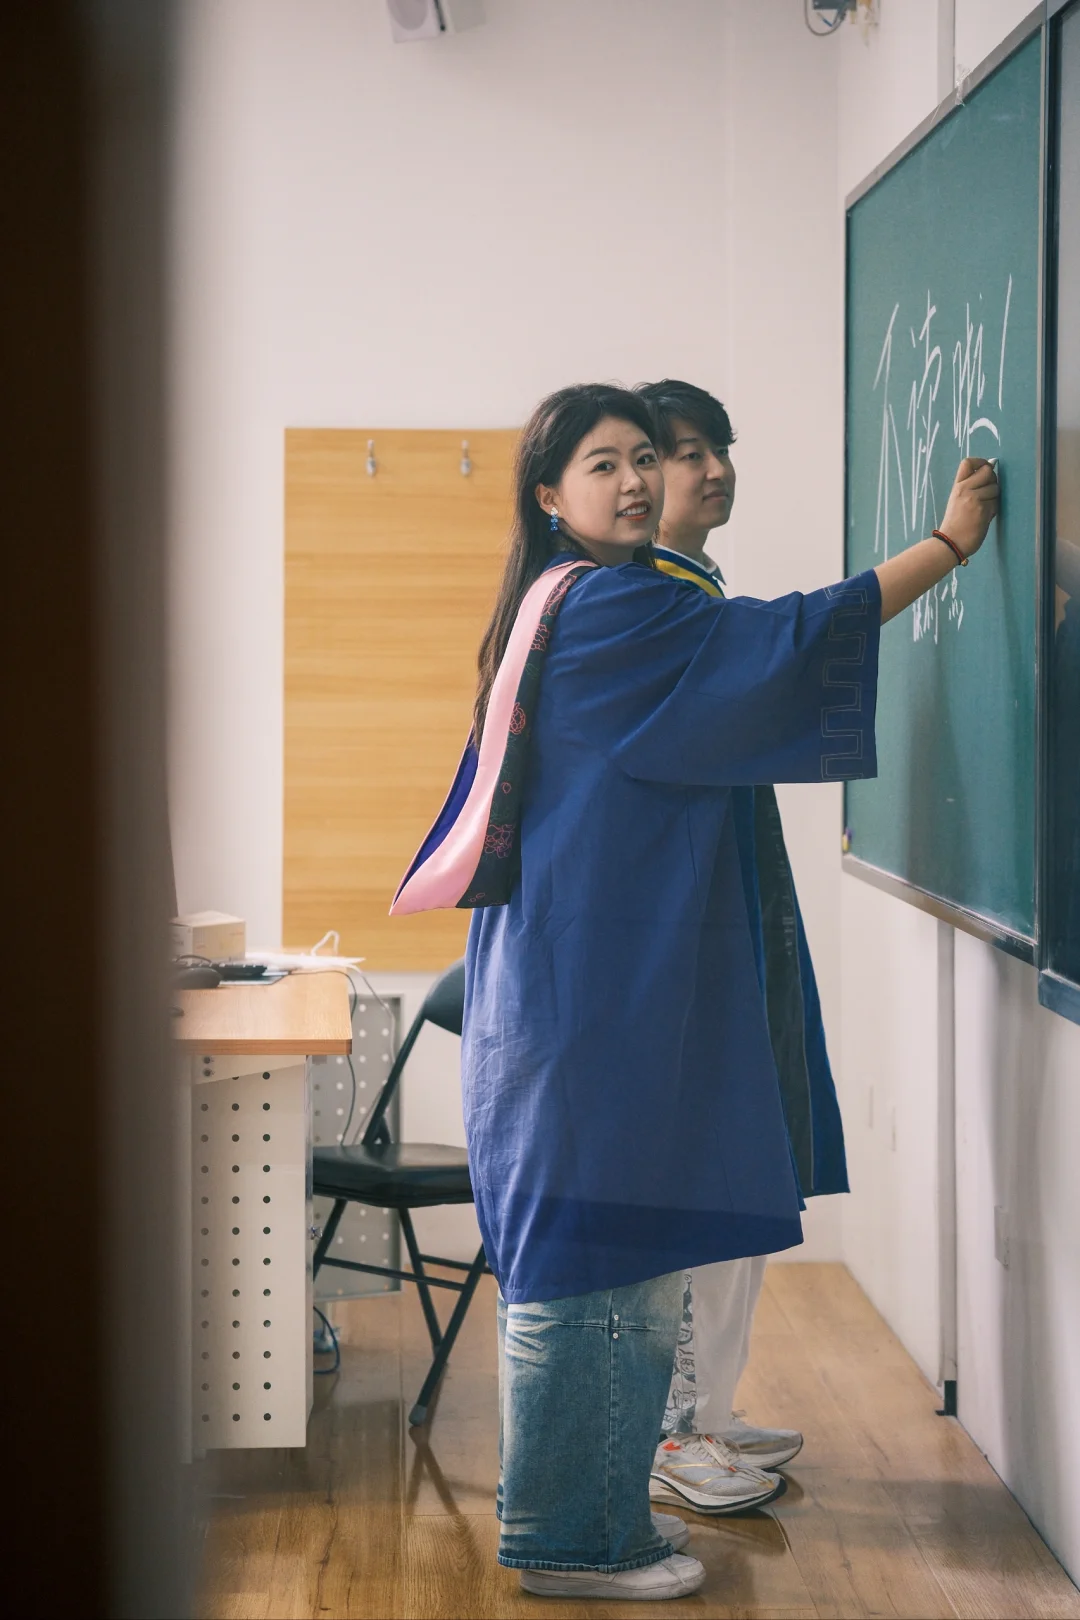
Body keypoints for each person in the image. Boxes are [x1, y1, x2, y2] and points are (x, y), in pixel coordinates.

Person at [391, 383, 998, 1602]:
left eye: (639, 461)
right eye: (604, 464)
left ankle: (576, 1522)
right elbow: (784, 639)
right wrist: (948, 548)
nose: (634, 482)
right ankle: (574, 1543)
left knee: (596, 1264)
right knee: (596, 1270)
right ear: (549, 496)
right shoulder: (621, 609)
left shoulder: (563, 600)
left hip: (576, 981)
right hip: (594, 993)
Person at [631, 377, 835, 1515]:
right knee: (701, 1171)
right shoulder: (648, 602)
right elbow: (797, 641)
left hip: (725, 903)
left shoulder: (693, 585)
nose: (713, 469)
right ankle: (670, 1433)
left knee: (742, 1158)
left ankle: (706, 1414)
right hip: (684, 925)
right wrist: (950, 546)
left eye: (721, 447)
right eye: (685, 450)